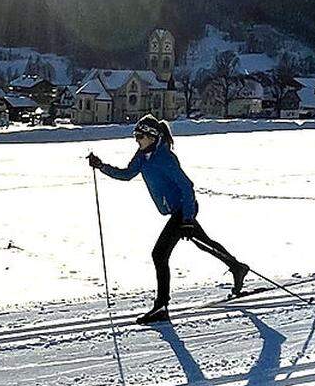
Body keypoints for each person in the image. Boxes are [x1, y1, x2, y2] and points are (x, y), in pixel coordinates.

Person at [89, 114, 249, 324]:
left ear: (152, 136)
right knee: (203, 243)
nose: (137, 140)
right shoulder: (142, 156)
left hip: (183, 210)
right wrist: (101, 166)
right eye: (136, 136)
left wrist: (188, 219)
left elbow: (187, 187)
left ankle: (161, 306)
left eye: (140, 136)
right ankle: (237, 268)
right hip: (177, 212)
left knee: (159, 254)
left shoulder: (165, 158)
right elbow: (127, 174)